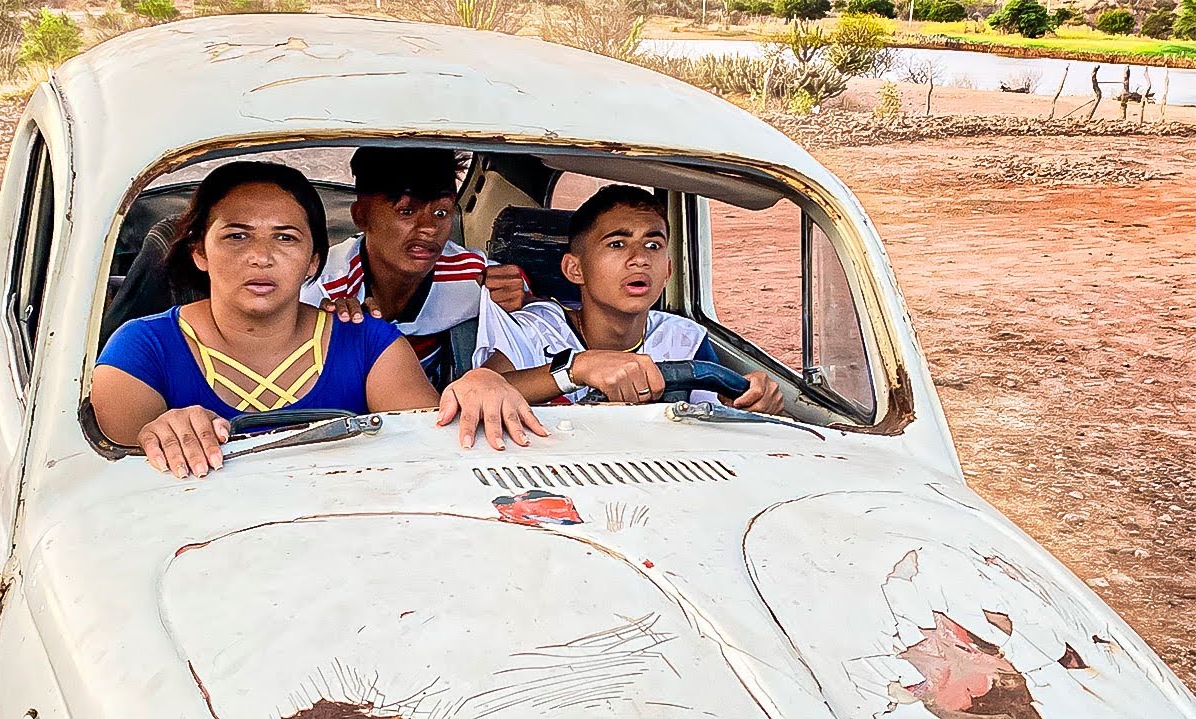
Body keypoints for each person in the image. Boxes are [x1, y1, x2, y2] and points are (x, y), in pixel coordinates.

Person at [92, 162, 546, 479]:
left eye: (285, 238)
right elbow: (108, 492)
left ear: (313, 262)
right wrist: (157, 434)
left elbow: (427, 454)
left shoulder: (370, 342)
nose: (261, 257)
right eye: (236, 236)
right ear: (199, 252)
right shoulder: (140, 348)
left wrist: (479, 384)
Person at [474, 184, 783, 412]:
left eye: (653, 246)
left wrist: (754, 398)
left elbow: (718, 410)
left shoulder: (683, 338)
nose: (639, 259)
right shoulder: (535, 330)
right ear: (575, 268)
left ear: (668, 270)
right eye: (618, 244)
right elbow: (480, 391)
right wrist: (577, 369)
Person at [302, 147, 528, 388]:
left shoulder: (474, 276)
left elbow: (541, 320)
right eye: (406, 211)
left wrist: (524, 301)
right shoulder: (320, 286)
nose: (429, 228)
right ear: (361, 215)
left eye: (441, 212)